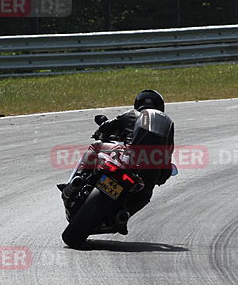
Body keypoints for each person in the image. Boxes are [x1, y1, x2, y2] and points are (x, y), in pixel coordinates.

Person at [60, 89, 174, 234]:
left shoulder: (131, 114)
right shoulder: (167, 126)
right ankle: (122, 217)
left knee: (95, 147)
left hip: (122, 156)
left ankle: (74, 183)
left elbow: (107, 126)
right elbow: (167, 155)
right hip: (145, 173)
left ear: (138, 103)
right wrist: (160, 176)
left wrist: (100, 129)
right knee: (145, 195)